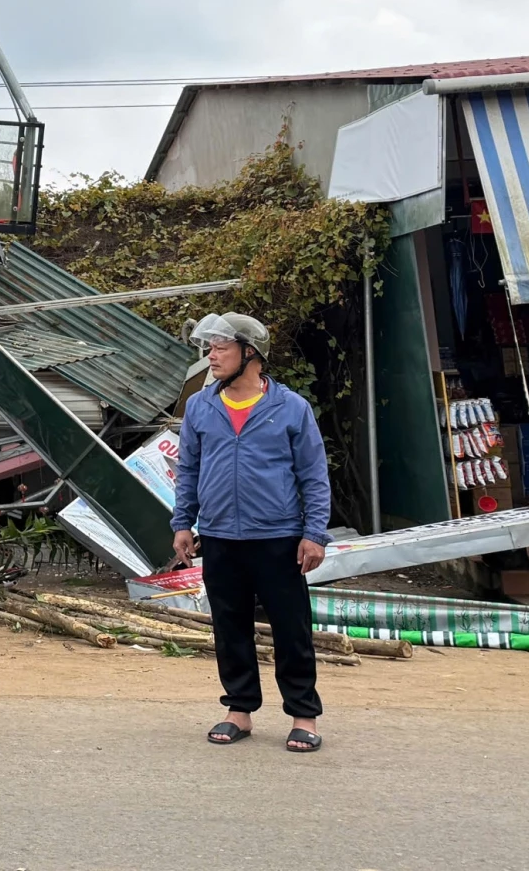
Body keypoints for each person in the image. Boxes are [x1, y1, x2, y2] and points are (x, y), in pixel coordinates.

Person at [171, 312, 331, 753]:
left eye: (221, 347)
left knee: (291, 628)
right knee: (229, 625)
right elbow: (189, 469)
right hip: (220, 535)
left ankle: (304, 715)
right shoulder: (201, 407)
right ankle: (238, 710)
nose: (212, 355)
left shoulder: (291, 408)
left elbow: (314, 476)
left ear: (251, 354)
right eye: (210, 347)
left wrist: (314, 533)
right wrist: (183, 522)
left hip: (278, 535)